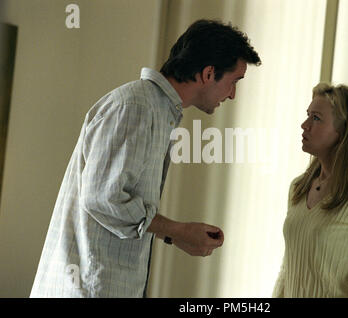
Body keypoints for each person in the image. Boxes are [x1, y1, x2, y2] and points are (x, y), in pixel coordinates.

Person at [30, 19, 261, 297]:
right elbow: (103, 197)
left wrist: (172, 235)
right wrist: (177, 231)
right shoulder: (137, 106)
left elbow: (116, 202)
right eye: (234, 82)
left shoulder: (155, 110)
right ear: (209, 73)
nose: (233, 95)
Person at [272, 83, 348, 298]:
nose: (304, 125)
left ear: (344, 132)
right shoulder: (298, 189)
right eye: (307, 115)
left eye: (316, 118)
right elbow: (287, 270)